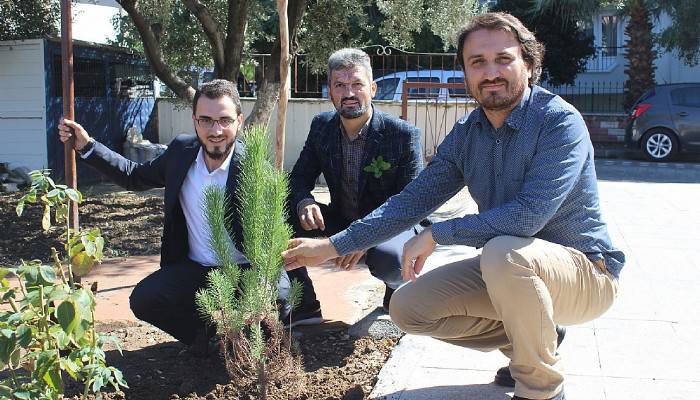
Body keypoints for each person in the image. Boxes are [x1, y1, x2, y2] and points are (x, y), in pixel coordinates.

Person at [282, 12, 624, 400]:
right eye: (477, 62)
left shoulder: (558, 122)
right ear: (465, 72)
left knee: (502, 251)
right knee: (408, 308)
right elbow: (410, 201)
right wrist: (332, 246)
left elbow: (529, 215)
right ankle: (526, 346)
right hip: (511, 272)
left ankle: (541, 389)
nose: (490, 72)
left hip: (586, 273)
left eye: (503, 59)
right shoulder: (467, 134)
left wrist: (437, 233)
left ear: (528, 64)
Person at [58, 79, 290, 355]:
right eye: (206, 120)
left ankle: (248, 343)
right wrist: (88, 147)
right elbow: (136, 176)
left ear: (239, 121)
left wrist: (268, 286)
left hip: (244, 272)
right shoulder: (181, 152)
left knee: (277, 303)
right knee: (146, 299)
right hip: (195, 270)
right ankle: (203, 338)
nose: (215, 130)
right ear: (194, 120)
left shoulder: (255, 170)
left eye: (224, 120)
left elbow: (275, 239)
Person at [285, 48, 425, 322]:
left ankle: (395, 295)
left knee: (391, 259)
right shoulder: (321, 126)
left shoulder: (403, 135)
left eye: (357, 84)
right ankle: (304, 304)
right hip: (341, 221)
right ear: (330, 92)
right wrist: (305, 201)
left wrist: (364, 236)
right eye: (340, 85)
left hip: (390, 228)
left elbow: (412, 203)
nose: (349, 93)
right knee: (277, 217)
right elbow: (298, 178)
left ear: (372, 88)